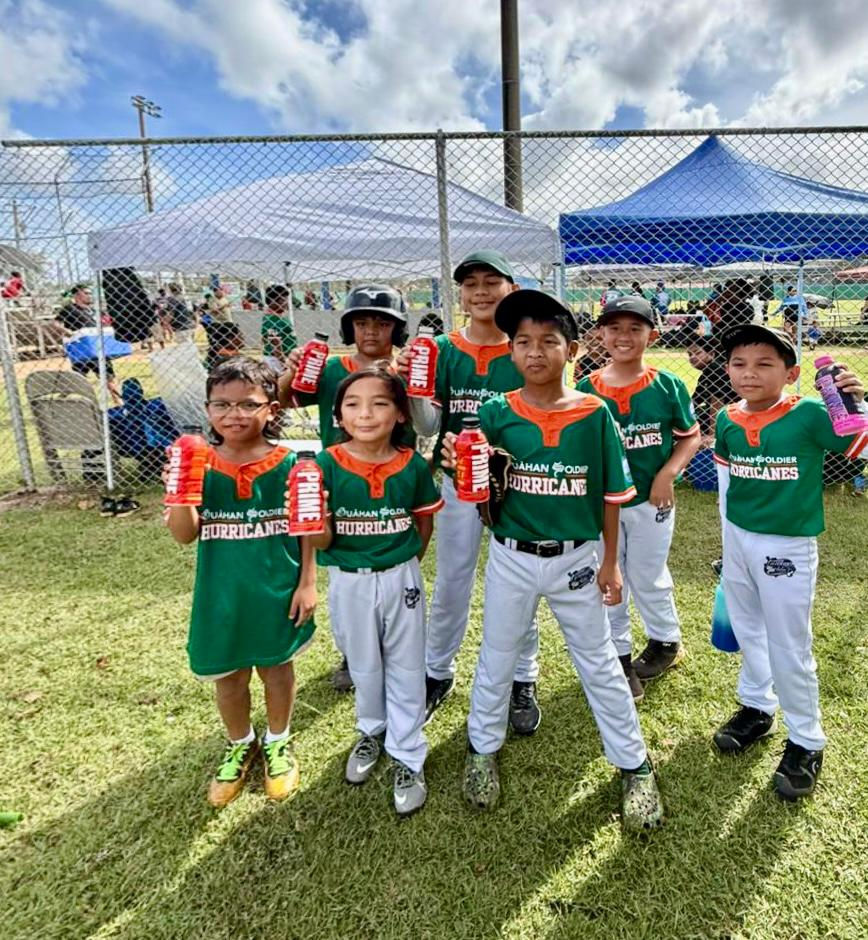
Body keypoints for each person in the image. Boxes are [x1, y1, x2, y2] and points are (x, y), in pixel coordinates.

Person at [442, 289, 663, 830]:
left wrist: (611, 563)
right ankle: (481, 749)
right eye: (522, 342)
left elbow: (613, 495)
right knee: (497, 653)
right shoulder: (496, 412)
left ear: (574, 349)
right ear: (511, 352)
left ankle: (634, 765)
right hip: (513, 553)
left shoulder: (594, 413)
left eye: (548, 341)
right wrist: (461, 467)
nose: (534, 352)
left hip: (578, 557)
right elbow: (478, 490)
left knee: (600, 661)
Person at [713, 325, 866, 799]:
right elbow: (725, 485)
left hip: (787, 546)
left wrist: (858, 403)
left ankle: (806, 739)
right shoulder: (726, 418)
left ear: (791, 372)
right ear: (727, 370)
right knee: (748, 626)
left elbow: (860, 444)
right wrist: (727, 546)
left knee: (789, 643)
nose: (749, 373)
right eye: (739, 363)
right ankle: (758, 708)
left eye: (764, 364)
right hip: (738, 539)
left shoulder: (811, 413)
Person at [396, 250, 540, 732]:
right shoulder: (440, 347)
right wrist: (414, 388)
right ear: (459, 293)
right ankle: (437, 671)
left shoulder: (524, 345)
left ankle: (524, 677)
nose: (480, 292)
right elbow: (429, 423)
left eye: (491, 282)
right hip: (458, 479)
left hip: (514, 485)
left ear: (510, 289)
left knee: (521, 581)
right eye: (470, 283)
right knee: (454, 578)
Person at [165, 357, 317, 807]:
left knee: (276, 669)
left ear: (272, 409)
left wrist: (307, 582)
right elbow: (183, 534)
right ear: (209, 409)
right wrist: (180, 489)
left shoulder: (291, 462)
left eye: (248, 404)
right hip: (221, 594)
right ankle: (239, 742)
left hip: (276, 589)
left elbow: (307, 529)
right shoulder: (199, 461)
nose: (234, 414)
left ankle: (277, 741)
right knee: (228, 677)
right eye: (222, 404)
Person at [308, 365, 443, 816]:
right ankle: (372, 730)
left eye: (380, 403)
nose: (365, 414)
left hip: (400, 575)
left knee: (406, 666)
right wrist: (319, 522)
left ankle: (408, 753)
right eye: (353, 405)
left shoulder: (412, 466)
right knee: (363, 663)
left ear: (401, 414)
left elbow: (424, 520)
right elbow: (321, 540)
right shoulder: (324, 465)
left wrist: (404, 560)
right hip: (347, 579)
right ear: (339, 416)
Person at [279, 284, 412, 692]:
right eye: (361, 322)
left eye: (381, 322)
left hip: (393, 482)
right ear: (348, 327)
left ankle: (397, 646)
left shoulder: (402, 370)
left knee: (394, 566)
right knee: (344, 566)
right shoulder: (332, 368)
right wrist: (292, 366)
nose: (371, 331)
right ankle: (355, 651)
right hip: (339, 480)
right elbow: (285, 400)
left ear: (397, 328)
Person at [577, 296, 700, 698]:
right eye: (614, 328)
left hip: (652, 500)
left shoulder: (668, 385)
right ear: (600, 334)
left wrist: (668, 471)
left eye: (635, 328)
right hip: (603, 504)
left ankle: (666, 642)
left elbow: (689, 436)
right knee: (610, 578)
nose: (623, 336)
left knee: (648, 574)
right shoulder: (585, 389)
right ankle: (619, 657)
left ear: (654, 334)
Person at [55, 283, 122, 404]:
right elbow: (55, 324)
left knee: (108, 376)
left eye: (90, 293)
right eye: (86, 293)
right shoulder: (69, 309)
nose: (89, 296)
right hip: (82, 348)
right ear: (76, 295)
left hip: (98, 347)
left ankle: (118, 402)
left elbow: (107, 322)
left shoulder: (96, 310)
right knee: (78, 378)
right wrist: (68, 332)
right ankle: (61, 399)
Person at [687, 334, 740, 441]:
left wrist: (712, 435)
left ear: (711, 354)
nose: (692, 357)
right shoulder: (707, 373)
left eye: (697, 353)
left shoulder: (716, 369)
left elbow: (717, 403)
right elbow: (694, 401)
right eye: (689, 354)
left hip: (732, 415)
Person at [260, 284, 298, 373]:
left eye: (286, 300)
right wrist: (284, 362)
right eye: (282, 300)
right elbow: (275, 344)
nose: (285, 303)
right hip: (277, 360)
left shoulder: (277, 316)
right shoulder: (272, 319)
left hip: (283, 357)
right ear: (272, 301)